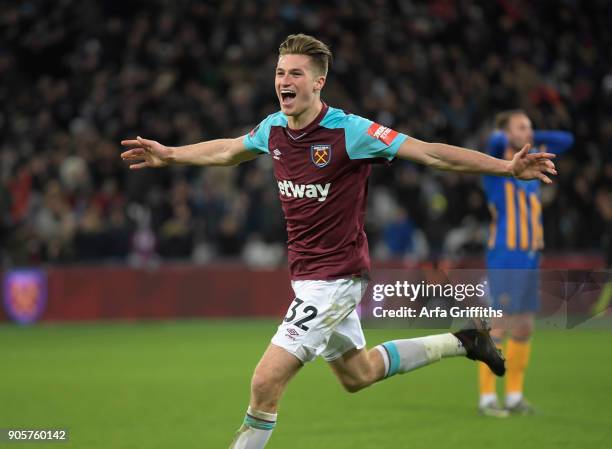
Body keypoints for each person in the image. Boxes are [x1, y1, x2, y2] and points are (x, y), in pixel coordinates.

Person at [120, 34, 557, 448]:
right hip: (308, 277)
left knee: (264, 382)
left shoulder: (350, 132)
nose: (283, 82)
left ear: (318, 82)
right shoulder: (274, 128)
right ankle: (463, 341)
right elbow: (229, 150)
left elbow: (430, 153)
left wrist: (506, 169)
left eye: (294, 73)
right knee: (358, 374)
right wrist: (172, 154)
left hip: (336, 278)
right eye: (279, 73)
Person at [479, 110, 573, 417]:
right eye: (521, 126)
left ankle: (515, 396)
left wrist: (528, 134)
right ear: (505, 132)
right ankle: (488, 397)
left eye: (531, 126)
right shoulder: (495, 167)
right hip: (506, 254)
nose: (529, 132)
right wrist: (510, 134)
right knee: (500, 325)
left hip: (530, 256)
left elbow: (567, 140)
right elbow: (493, 141)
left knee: (524, 325)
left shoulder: (530, 167)